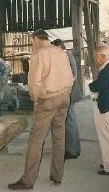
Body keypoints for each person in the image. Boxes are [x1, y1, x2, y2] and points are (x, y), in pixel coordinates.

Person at [8, 29, 74, 190]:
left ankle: (27, 181)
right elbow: (71, 76)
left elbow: (34, 82)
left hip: (48, 99)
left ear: (36, 39)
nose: (32, 45)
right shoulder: (60, 51)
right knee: (59, 136)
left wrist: (35, 99)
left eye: (32, 42)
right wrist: (66, 92)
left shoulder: (39, 54)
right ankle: (57, 176)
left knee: (36, 140)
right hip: (64, 97)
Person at [89, 45, 109, 175]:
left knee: (106, 139)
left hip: (106, 108)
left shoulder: (107, 69)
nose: (95, 59)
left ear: (102, 56)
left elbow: (97, 85)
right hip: (108, 107)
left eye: (95, 56)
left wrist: (90, 85)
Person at [51, 39, 82, 159]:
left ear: (59, 47)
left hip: (68, 94)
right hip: (67, 93)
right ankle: (74, 149)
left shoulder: (66, 57)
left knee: (69, 122)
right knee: (70, 122)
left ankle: (71, 151)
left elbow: (69, 78)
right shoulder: (66, 56)